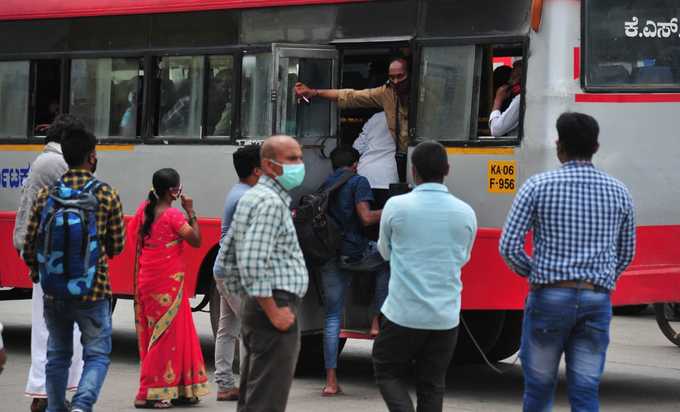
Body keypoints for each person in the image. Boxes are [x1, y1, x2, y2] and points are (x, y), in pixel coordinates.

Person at [499, 112, 636, 412]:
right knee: (586, 393)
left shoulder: (538, 186)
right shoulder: (619, 192)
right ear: (596, 147)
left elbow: (509, 246)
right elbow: (626, 253)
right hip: (596, 299)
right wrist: (600, 278)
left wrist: (537, 273)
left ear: (559, 145)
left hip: (549, 297)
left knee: (538, 391)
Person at [22, 128, 125, 412]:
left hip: (54, 292)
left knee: (57, 354)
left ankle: (56, 408)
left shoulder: (46, 196)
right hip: (94, 289)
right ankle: (81, 405)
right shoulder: (106, 194)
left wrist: (39, 274)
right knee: (97, 354)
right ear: (92, 157)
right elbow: (117, 246)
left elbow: (29, 243)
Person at [374, 141, 477, 412]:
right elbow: (464, 258)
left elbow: (384, 252)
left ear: (413, 170)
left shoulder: (395, 206)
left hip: (403, 313)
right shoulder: (466, 212)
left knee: (386, 370)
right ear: (447, 169)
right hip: (445, 317)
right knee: (433, 383)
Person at [214, 135, 308, 412]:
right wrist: (272, 310)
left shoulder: (253, 197)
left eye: (299, 157)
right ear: (268, 165)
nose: (299, 164)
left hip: (262, 304)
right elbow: (252, 262)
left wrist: (249, 304)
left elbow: (227, 256)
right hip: (275, 304)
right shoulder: (268, 202)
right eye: (291, 159)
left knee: (254, 395)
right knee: (267, 398)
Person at [13, 115, 86, 412]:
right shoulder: (56, 163)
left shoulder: (47, 160)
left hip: (49, 258)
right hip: (54, 260)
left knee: (56, 329)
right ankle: (45, 394)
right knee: (53, 329)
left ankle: (50, 394)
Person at [129, 168, 208, 409]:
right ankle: (149, 392)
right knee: (164, 338)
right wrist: (191, 212)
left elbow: (134, 239)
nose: (178, 194)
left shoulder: (144, 210)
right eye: (177, 190)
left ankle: (180, 389)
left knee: (163, 333)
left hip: (147, 279)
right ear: (171, 191)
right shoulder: (174, 216)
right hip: (167, 283)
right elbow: (196, 240)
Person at [318, 146, 388, 397]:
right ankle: (375, 318)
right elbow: (367, 217)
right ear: (356, 164)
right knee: (386, 262)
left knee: (332, 318)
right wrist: (392, 208)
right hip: (355, 253)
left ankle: (330, 381)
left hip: (329, 256)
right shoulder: (359, 182)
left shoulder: (326, 184)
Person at [295, 58, 410, 181]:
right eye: (392, 77)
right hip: (390, 172)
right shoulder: (386, 92)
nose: (396, 81)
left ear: (410, 75)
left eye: (400, 76)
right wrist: (315, 93)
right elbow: (352, 96)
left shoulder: (425, 92)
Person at [212, 145, 262, 402]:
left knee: (228, 328)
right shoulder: (247, 198)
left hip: (224, 268)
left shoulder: (240, 190)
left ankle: (225, 384)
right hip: (234, 272)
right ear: (256, 170)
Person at [352, 112, 398, 209]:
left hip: (365, 175)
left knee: (363, 218)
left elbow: (357, 147)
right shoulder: (403, 118)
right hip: (388, 177)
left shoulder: (376, 117)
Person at [489, 60, 523, 137]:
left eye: (515, 75)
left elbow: (496, 130)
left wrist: (498, 100)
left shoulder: (520, 99)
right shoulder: (516, 98)